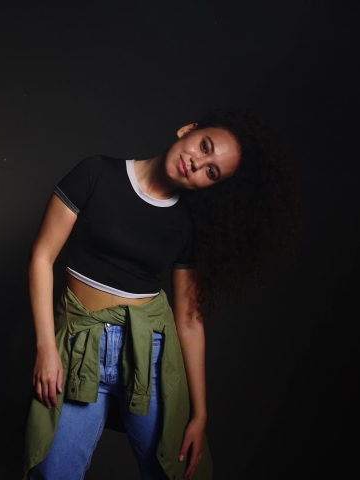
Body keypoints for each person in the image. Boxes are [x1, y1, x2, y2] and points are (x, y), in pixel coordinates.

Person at [23, 108, 299, 480]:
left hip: (149, 356)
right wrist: (46, 347)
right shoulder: (96, 172)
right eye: (205, 147)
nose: (197, 163)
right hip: (79, 349)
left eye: (211, 172)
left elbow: (189, 319)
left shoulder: (186, 225)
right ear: (189, 130)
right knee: (51, 472)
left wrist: (200, 414)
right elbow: (42, 257)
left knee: (176, 470)